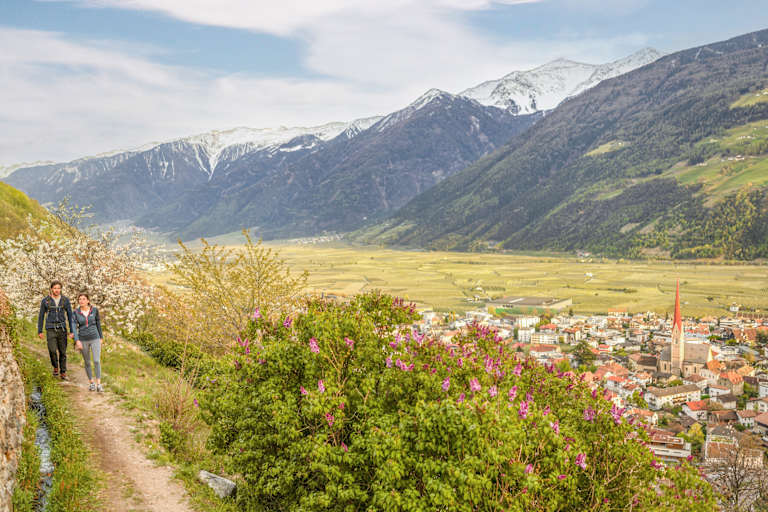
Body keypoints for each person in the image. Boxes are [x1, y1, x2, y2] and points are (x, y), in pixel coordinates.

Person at [37, 280, 75, 380]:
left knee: (63, 352)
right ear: (51, 289)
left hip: (62, 328)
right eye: (55, 288)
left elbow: (70, 316)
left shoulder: (65, 300)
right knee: (52, 350)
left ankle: (63, 372)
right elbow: (41, 316)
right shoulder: (46, 301)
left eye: (58, 288)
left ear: (61, 289)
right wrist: (39, 330)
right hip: (50, 328)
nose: (57, 290)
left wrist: (72, 331)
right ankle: (55, 367)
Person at [72, 292, 105, 392]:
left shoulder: (94, 310)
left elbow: (98, 323)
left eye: (83, 299)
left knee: (96, 360)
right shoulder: (75, 313)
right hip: (83, 339)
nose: (81, 301)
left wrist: (101, 337)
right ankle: (91, 383)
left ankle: (99, 384)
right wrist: (77, 340)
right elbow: (73, 327)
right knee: (87, 362)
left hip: (95, 338)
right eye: (80, 299)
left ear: (88, 300)